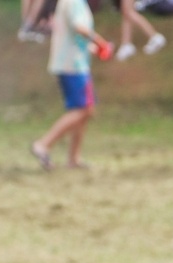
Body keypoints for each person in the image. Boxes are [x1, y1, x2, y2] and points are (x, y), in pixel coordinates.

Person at [30, 0, 112, 171]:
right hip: (73, 65)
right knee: (84, 110)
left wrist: (92, 48)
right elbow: (79, 28)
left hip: (69, 62)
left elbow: (70, 35)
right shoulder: (74, 2)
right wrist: (100, 42)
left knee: (82, 110)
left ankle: (73, 158)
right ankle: (43, 144)